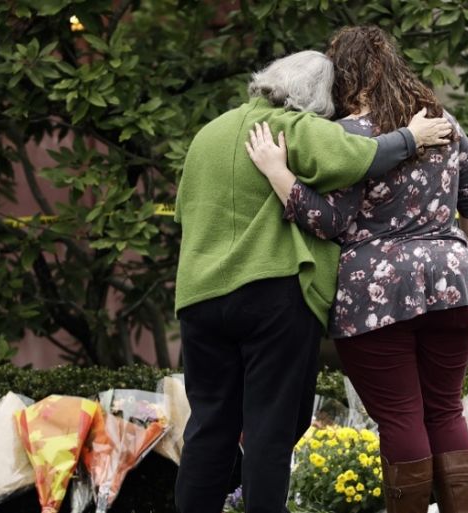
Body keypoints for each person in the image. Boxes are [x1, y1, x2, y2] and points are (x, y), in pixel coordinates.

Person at [173, 49, 452, 513]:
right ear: (317, 98)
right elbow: (358, 156)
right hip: (271, 294)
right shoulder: (294, 126)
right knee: (270, 425)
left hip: (200, 298)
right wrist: (411, 137)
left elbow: (184, 213)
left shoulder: (207, 135)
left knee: (209, 424)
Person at [245, 27, 468, 513]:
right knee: (445, 410)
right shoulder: (443, 123)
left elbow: (328, 220)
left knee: (401, 416)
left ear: (344, 77)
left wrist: (278, 173)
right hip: (453, 282)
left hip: (376, 294)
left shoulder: (348, 136)